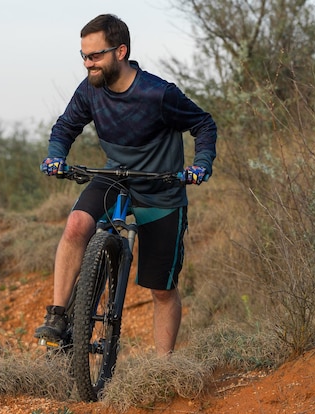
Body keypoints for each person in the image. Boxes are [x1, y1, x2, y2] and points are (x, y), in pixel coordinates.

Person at [33, 14, 217, 356]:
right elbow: (64, 128)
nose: (89, 64)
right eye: (84, 56)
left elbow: (204, 124)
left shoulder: (158, 93)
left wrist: (201, 163)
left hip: (160, 187)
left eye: (95, 56)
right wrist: (56, 156)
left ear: (120, 51)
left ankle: (162, 368)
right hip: (115, 177)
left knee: (161, 290)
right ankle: (59, 316)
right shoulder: (90, 88)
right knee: (76, 224)